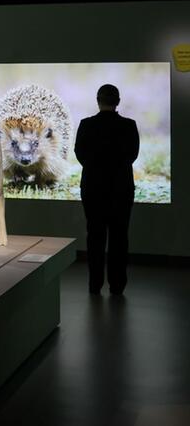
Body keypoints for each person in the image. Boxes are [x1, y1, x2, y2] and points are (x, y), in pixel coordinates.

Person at [74, 84, 139, 295]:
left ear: (97, 100)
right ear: (118, 101)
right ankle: (117, 285)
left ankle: (95, 284)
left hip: (93, 189)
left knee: (95, 236)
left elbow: (79, 153)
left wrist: (95, 168)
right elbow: (133, 154)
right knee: (120, 237)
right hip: (121, 188)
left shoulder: (86, 125)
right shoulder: (129, 126)